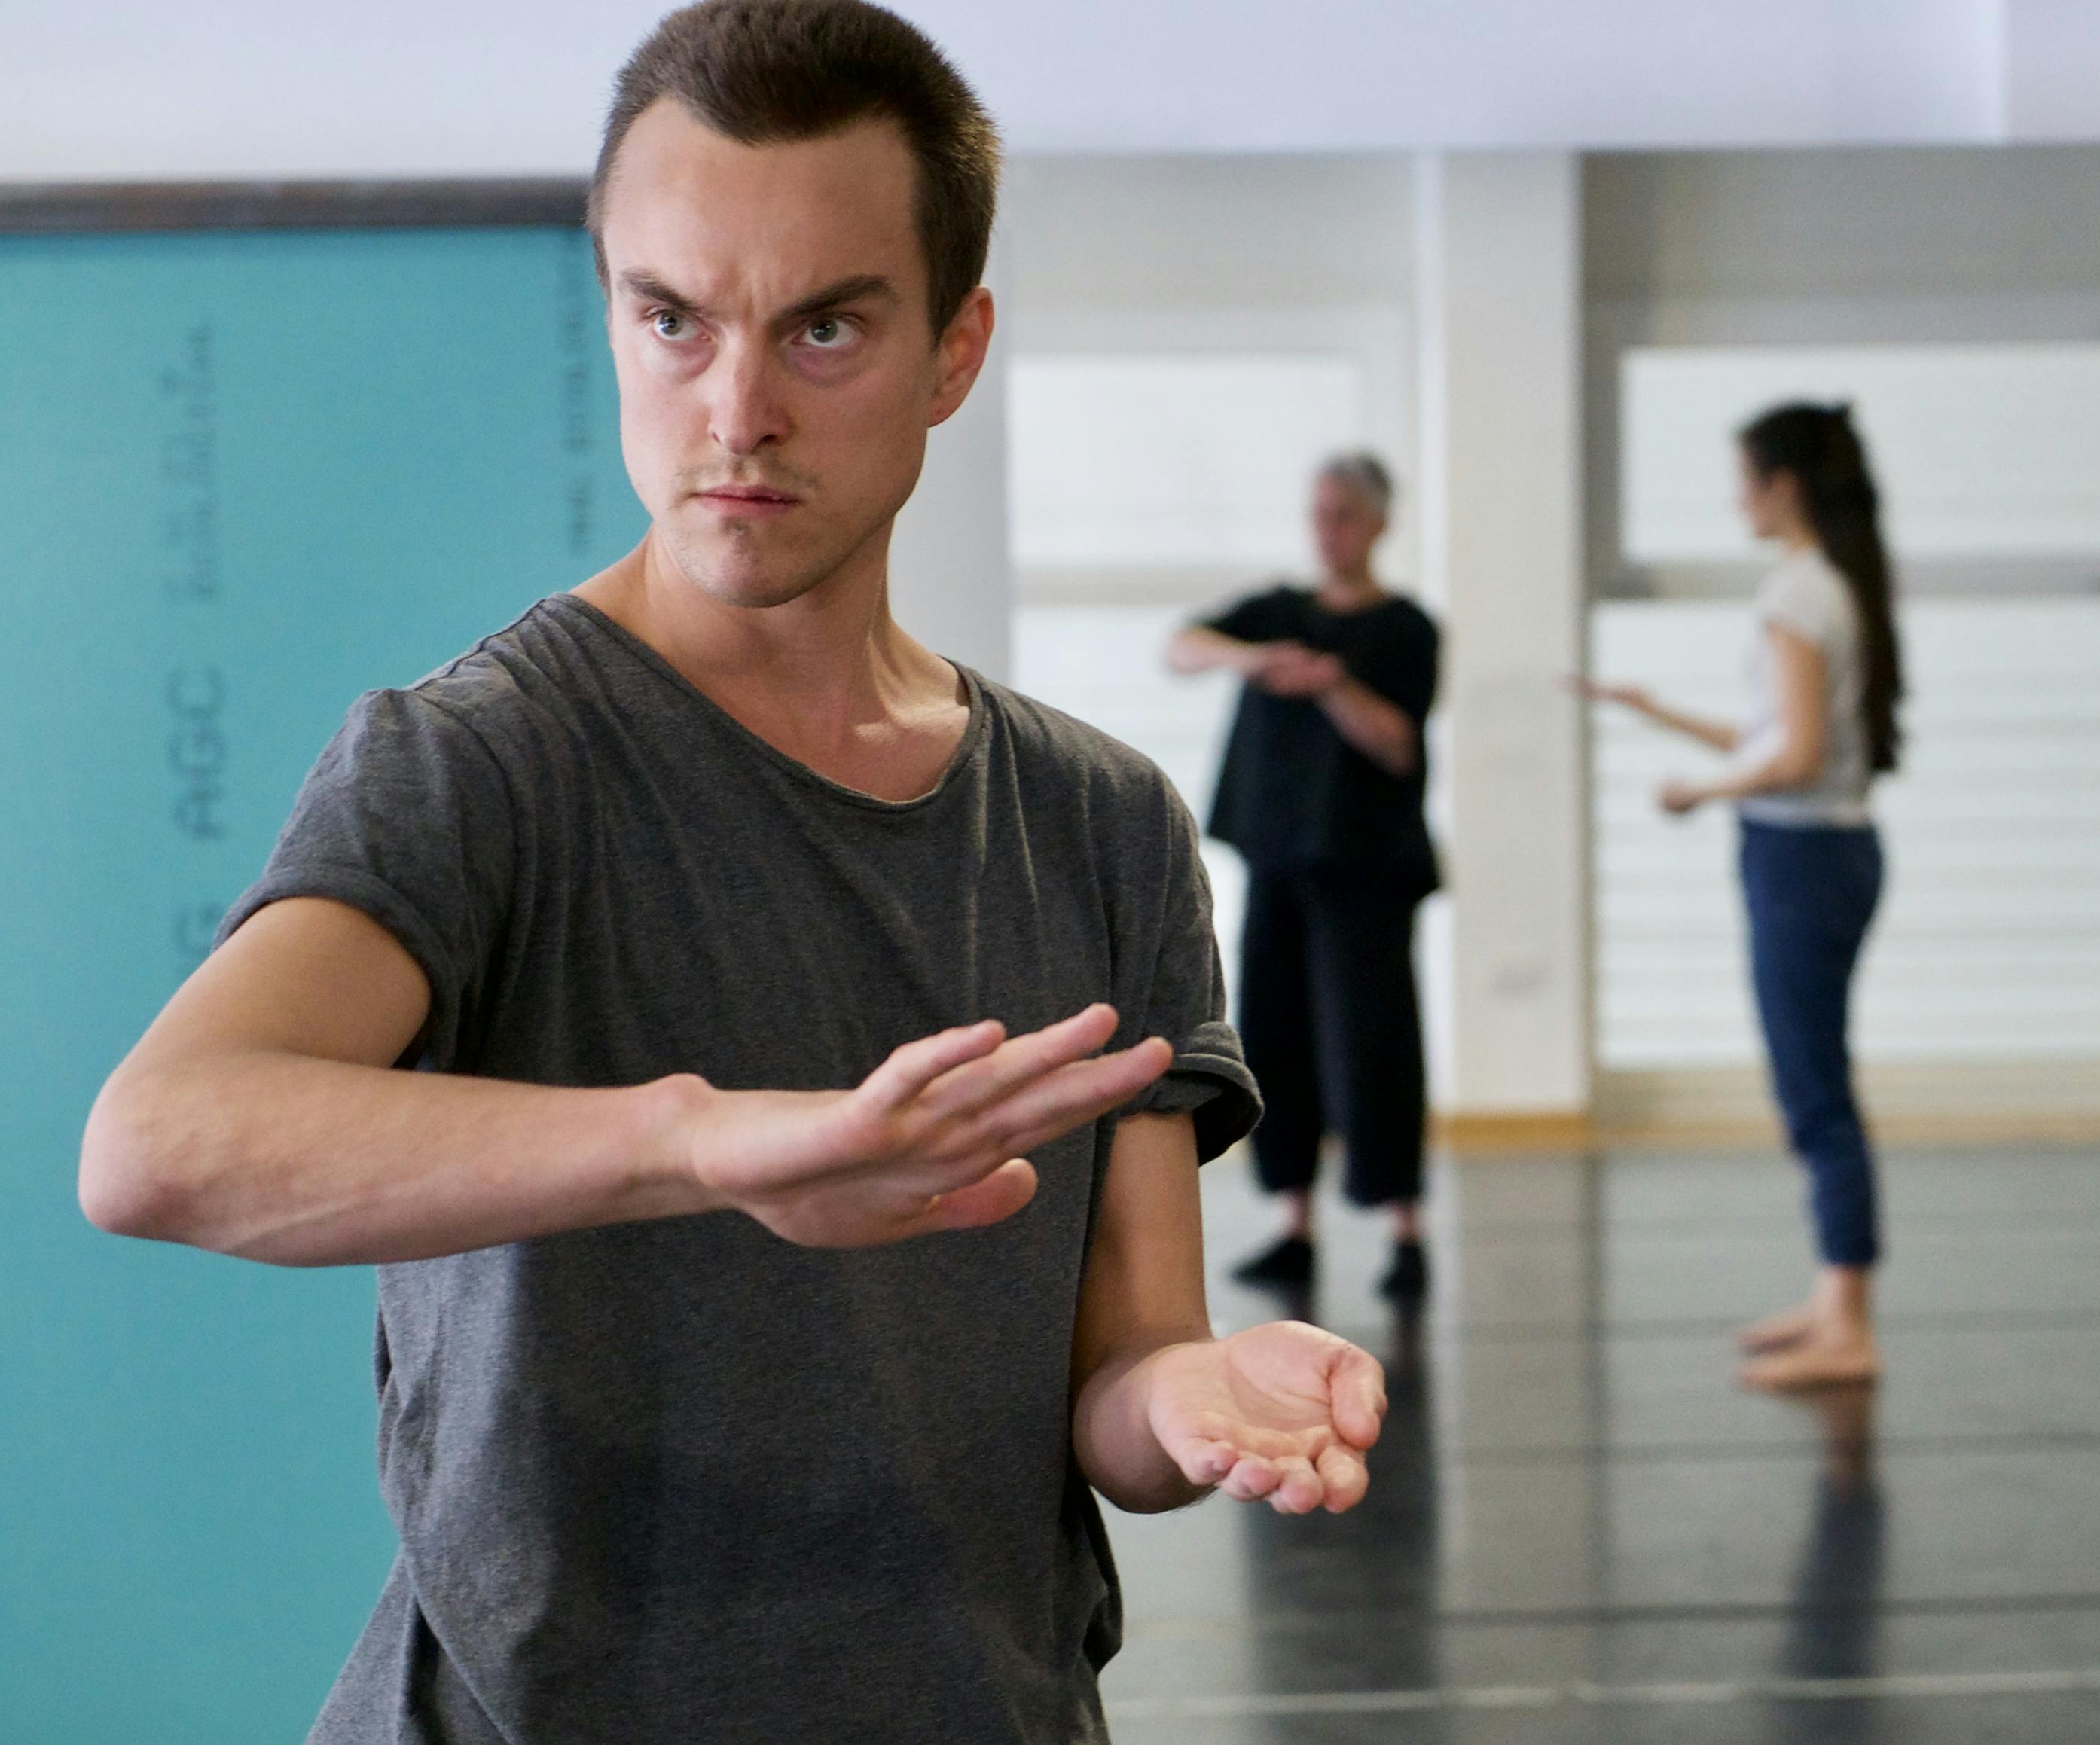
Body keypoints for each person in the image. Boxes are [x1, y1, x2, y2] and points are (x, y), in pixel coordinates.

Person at [74, 5, 1385, 1741]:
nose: (736, 409)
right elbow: (160, 1147)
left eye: (824, 327)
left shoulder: (1102, 821)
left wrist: (1203, 1397)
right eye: (671, 320)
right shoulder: (486, 761)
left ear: (953, 350)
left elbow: (1119, 1386)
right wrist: (701, 1141)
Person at [1573, 401, 1906, 1391]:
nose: (1734, 498)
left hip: (1801, 864)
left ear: (1783, 484)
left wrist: (1695, 791)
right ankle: (1832, 1299)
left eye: (1742, 478)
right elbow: (1781, 741)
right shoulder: (1832, 585)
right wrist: (1658, 713)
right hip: (1824, 855)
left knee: (1814, 1091)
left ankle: (1847, 1321)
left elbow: (1791, 756)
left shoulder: (1794, 597)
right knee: (1815, 1082)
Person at [1167, 454, 1441, 1301]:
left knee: (1372, 1044)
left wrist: (1329, 684)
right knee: (1275, 1038)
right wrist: (1252, 661)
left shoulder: (1406, 629)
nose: (1329, 531)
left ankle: (1404, 1229)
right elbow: (1181, 647)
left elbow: (1398, 742)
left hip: (1367, 871)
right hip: (1278, 858)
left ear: (1380, 523)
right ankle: (1296, 1224)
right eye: (1320, 513)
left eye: (1346, 515)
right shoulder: (1274, 612)